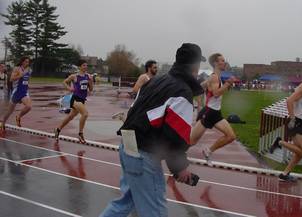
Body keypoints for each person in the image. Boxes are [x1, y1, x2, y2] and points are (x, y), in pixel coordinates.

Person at [99, 43, 205, 217]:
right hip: (144, 154)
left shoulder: (157, 81)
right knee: (155, 211)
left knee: (125, 203)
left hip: (127, 146)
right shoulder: (182, 91)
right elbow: (174, 136)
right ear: (194, 66)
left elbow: (135, 111)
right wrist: (179, 168)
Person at [269, 65, 302, 182]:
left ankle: (285, 174)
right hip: (296, 122)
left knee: (299, 153)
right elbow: (289, 100)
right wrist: (292, 118)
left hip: (301, 122)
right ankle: (280, 142)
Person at [190, 53, 237, 165]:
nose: (224, 62)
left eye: (224, 60)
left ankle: (208, 151)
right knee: (191, 141)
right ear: (215, 63)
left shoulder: (215, 77)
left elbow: (202, 85)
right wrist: (227, 84)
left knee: (231, 136)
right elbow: (216, 93)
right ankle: (171, 150)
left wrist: (199, 92)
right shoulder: (214, 76)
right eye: (222, 60)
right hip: (209, 113)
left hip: (216, 113)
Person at [54, 59, 93, 144]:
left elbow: (91, 89)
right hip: (75, 99)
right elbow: (64, 82)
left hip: (82, 100)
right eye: (84, 65)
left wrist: (91, 81)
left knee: (70, 117)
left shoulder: (88, 76)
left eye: (86, 65)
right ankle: (80, 134)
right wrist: (69, 88)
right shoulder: (74, 76)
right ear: (80, 67)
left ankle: (58, 129)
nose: (85, 67)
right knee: (85, 114)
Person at [0, 57, 32, 131]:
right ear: (22, 62)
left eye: (28, 62)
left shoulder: (29, 70)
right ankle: (3, 123)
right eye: (26, 62)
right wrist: (20, 75)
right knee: (10, 111)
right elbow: (11, 79)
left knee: (29, 106)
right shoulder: (17, 69)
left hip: (24, 91)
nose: (28, 63)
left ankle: (18, 116)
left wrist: (27, 85)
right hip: (17, 91)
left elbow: (27, 79)